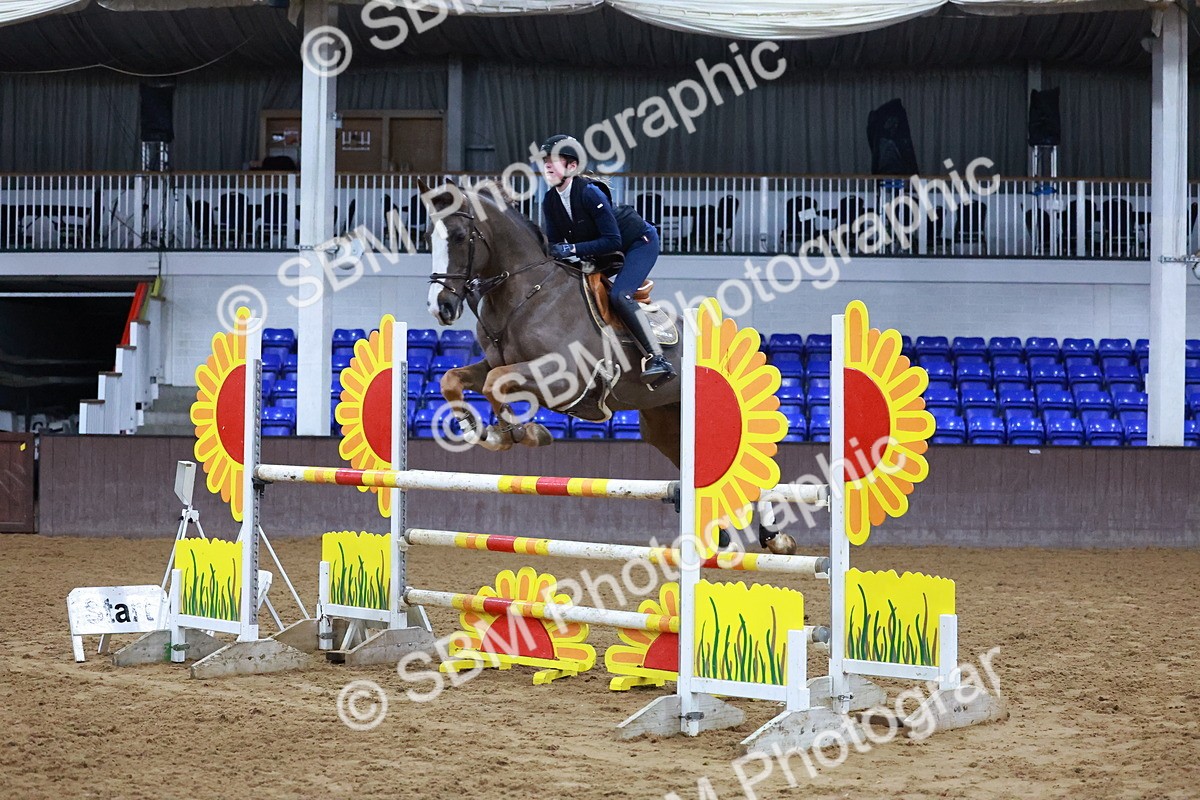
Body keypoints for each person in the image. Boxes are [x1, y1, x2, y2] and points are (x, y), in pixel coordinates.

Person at [537, 134, 677, 389]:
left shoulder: (589, 193)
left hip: (638, 243)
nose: (547, 166)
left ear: (572, 166)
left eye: (553, 161)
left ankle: (657, 358)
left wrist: (572, 248)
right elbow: (556, 248)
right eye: (545, 161)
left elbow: (612, 240)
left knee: (620, 295)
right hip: (602, 253)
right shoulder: (550, 201)